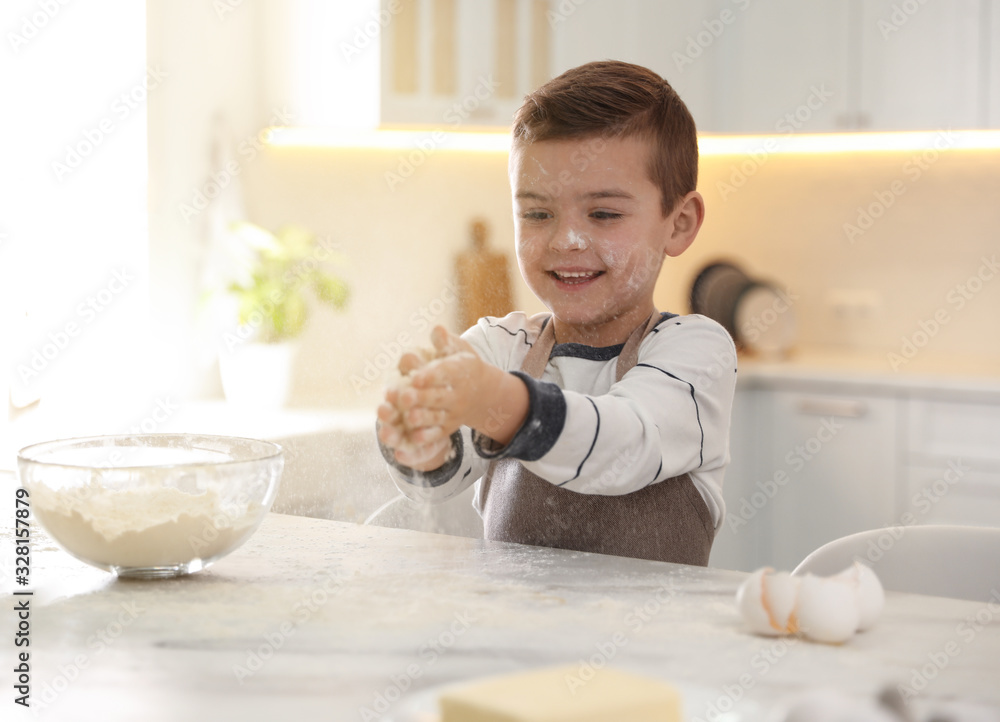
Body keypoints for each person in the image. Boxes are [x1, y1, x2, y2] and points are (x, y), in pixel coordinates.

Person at [376, 60, 736, 565]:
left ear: (678, 224)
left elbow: (625, 444)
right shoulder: (502, 347)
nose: (566, 240)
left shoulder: (696, 352)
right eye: (538, 214)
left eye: (604, 214)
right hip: (517, 640)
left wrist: (504, 405)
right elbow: (438, 479)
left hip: (654, 643)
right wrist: (421, 443)